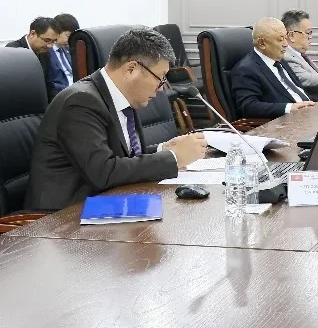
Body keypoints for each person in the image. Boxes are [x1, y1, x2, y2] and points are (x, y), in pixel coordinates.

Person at [25, 27, 207, 212]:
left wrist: (164, 150)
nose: (161, 88)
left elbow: (122, 156)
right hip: (62, 216)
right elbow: (103, 172)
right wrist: (174, 158)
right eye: (160, 78)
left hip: (102, 203)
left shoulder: (120, 98)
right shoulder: (80, 102)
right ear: (131, 69)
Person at [230, 18, 318, 119]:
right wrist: (289, 108)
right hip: (286, 122)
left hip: (308, 114)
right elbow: (248, 107)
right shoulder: (246, 69)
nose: (286, 44)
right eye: (280, 40)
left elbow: (298, 90)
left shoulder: (280, 60)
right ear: (262, 43)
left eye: (285, 38)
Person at [6, 16, 60, 102]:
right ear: (32, 34)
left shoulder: (45, 53)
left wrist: (58, 103)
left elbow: (48, 85)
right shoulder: (13, 51)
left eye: (53, 41)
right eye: (47, 40)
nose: (50, 46)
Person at [49, 12, 80, 92]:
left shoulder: (69, 49)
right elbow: (48, 83)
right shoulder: (46, 53)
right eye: (68, 36)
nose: (70, 40)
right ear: (56, 32)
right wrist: (69, 89)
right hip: (63, 92)